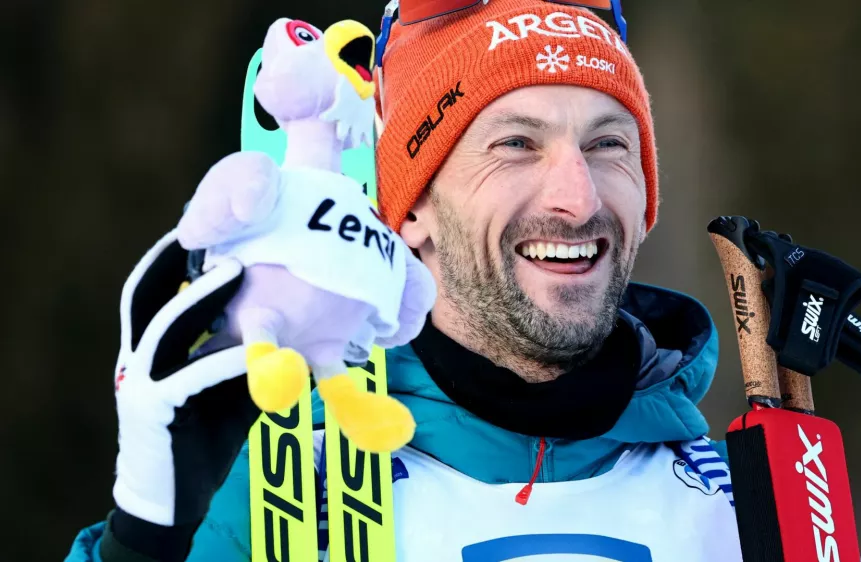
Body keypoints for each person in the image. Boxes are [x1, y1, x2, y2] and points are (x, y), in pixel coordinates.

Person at [66, 0, 743, 560]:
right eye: (515, 144)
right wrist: (143, 542)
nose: (579, 198)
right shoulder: (284, 497)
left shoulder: (746, 505)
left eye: (608, 144)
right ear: (412, 205)